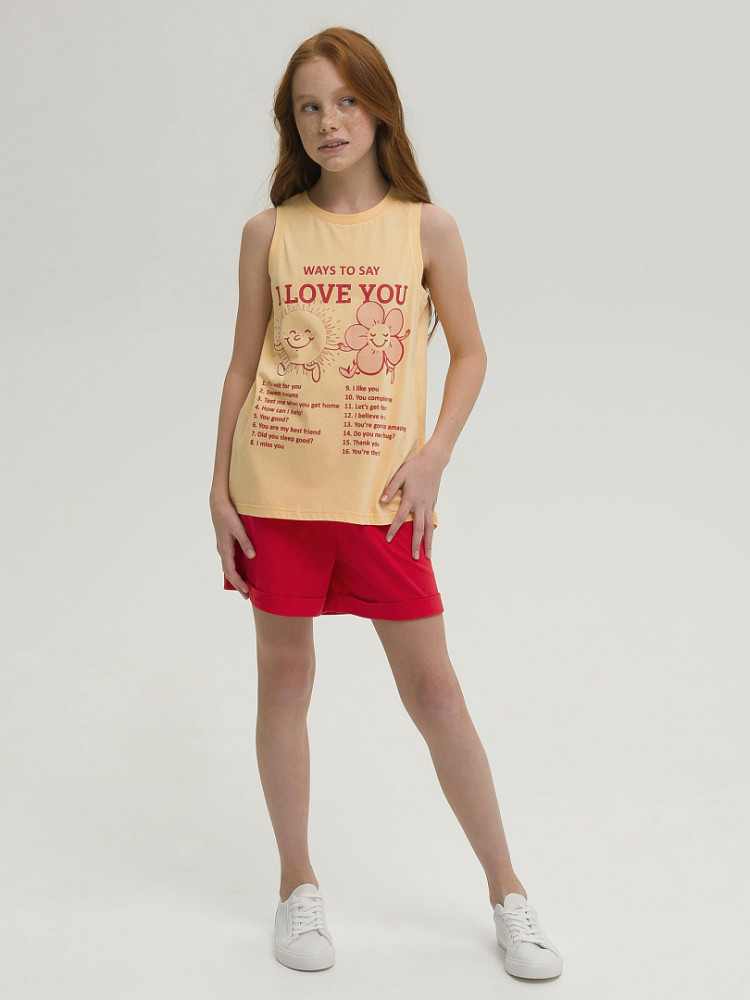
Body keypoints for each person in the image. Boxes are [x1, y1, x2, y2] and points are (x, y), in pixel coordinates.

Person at [209, 26, 563, 980]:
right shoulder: (269, 233)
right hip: (275, 492)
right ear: (292, 123)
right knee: (285, 684)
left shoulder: (426, 228)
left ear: (379, 110)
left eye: (346, 101)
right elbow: (242, 366)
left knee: (435, 693)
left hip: (380, 501)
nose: (328, 121)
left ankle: (508, 890)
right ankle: (296, 884)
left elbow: (472, 352)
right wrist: (218, 489)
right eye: (308, 107)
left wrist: (435, 456)